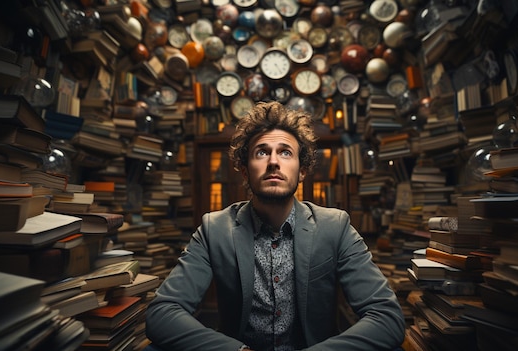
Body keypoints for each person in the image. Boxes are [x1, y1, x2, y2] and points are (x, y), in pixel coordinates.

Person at [145, 101, 406, 351]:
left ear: (302, 171)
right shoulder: (214, 229)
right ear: (245, 171)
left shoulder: (335, 227)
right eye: (261, 152)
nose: (273, 161)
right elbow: (162, 313)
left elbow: (387, 318)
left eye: (285, 152)